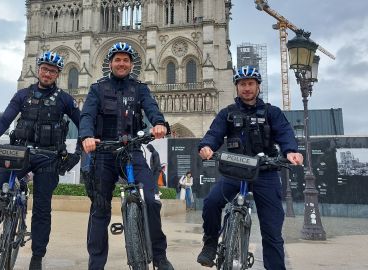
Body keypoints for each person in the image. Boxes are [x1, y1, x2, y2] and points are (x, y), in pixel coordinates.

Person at [0, 50, 80, 270]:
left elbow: (84, 124)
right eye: (45, 69)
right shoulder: (23, 95)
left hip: (48, 157)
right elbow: (6, 118)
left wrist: (78, 152)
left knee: (42, 208)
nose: (48, 74)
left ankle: (37, 257)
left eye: (52, 71)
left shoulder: (65, 99)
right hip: (20, 153)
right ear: (38, 70)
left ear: (58, 74)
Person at [197, 66, 304, 269]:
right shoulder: (227, 113)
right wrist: (206, 146)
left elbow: (285, 133)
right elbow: (214, 134)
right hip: (235, 171)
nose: (246, 88)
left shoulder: (272, 112)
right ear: (237, 87)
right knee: (211, 202)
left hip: (266, 173)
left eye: (250, 84)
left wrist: (290, 151)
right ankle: (210, 244)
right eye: (242, 84)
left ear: (258, 86)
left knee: (272, 231)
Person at [79, 42, 174, 270]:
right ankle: (96, 265)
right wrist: (86, 137)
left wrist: (159, 123)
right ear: (110, 63)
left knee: (151, 200)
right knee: (100, 209)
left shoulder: (140, 88)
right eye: (117, 60)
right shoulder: (97, 88)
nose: (121, 64)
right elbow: (87, 116)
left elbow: (151, 108)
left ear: (131, 64)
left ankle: (159, 256)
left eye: (126, 60)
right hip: (104, 153)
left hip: (132, 152)